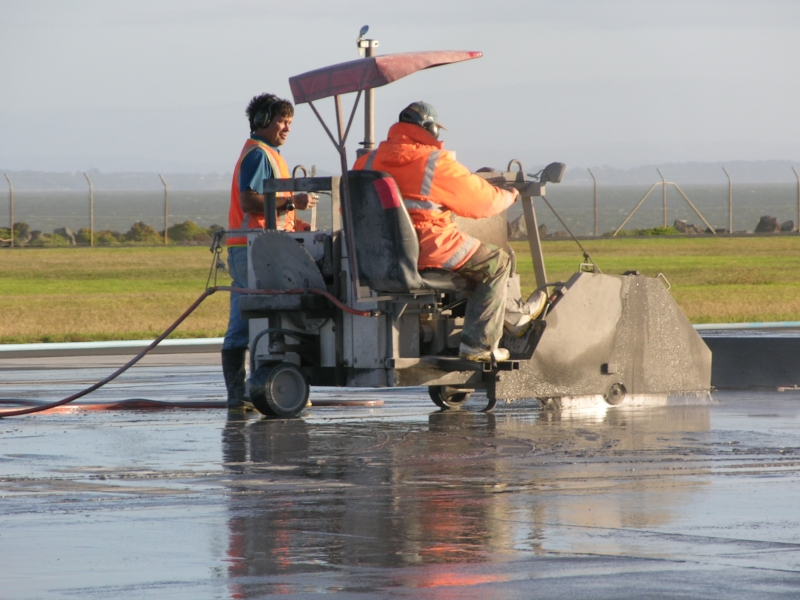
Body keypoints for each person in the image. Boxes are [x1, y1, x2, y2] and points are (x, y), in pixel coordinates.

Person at [353, 101, 545, 362]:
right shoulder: (434, 162)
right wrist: (510, 195)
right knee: (498, 262)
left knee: (481, 266)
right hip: (429, 249)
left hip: (377, 256)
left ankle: (514, 317)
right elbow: (482, 202)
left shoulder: (365, 162)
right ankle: (478, 345)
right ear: (430, 128)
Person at [222, 93, 319, 410]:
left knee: (255, 321)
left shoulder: (271, 155)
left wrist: (296, 222)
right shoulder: (259, 155)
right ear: (262, 121)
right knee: (247, 324)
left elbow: (270, 209)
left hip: (259, 246)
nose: (287, 128)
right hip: (251, 249)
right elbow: (250, 201)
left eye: (290, 122)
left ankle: (247, 393)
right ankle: (240, 394)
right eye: (281, 121)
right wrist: (292, 202)